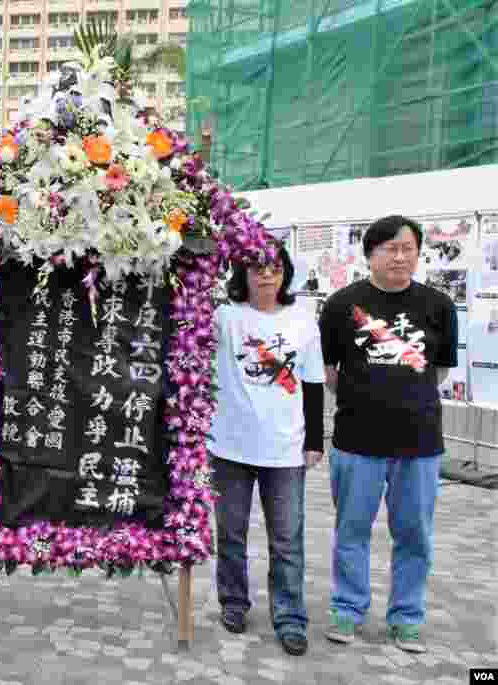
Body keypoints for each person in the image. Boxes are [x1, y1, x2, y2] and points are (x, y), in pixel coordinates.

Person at [319, 215, 457, 654]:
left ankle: (406, 617)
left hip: (419, 443)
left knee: (414, 533)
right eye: (389, 249)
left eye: (408, 248)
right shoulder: (342, 305)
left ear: (418, 253)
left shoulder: (439, 306)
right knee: (352, 530)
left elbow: (439, 371)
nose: (400, 256)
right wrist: (369, 395)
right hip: (357, 440)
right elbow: (330, 372)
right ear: (370, 255)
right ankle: (348, 607)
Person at [208, 243, 324, 657]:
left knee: (287, 539)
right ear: (243, 274)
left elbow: (311, 384)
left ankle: (290, 617)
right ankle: (234, 603)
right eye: (256, 268)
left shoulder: (304, 320)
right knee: (232, 534)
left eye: (274, 268)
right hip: (229, 447)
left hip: (285, 450)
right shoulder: (224, 318)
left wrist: (314, 441)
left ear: (285, 273)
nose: (266, 276)